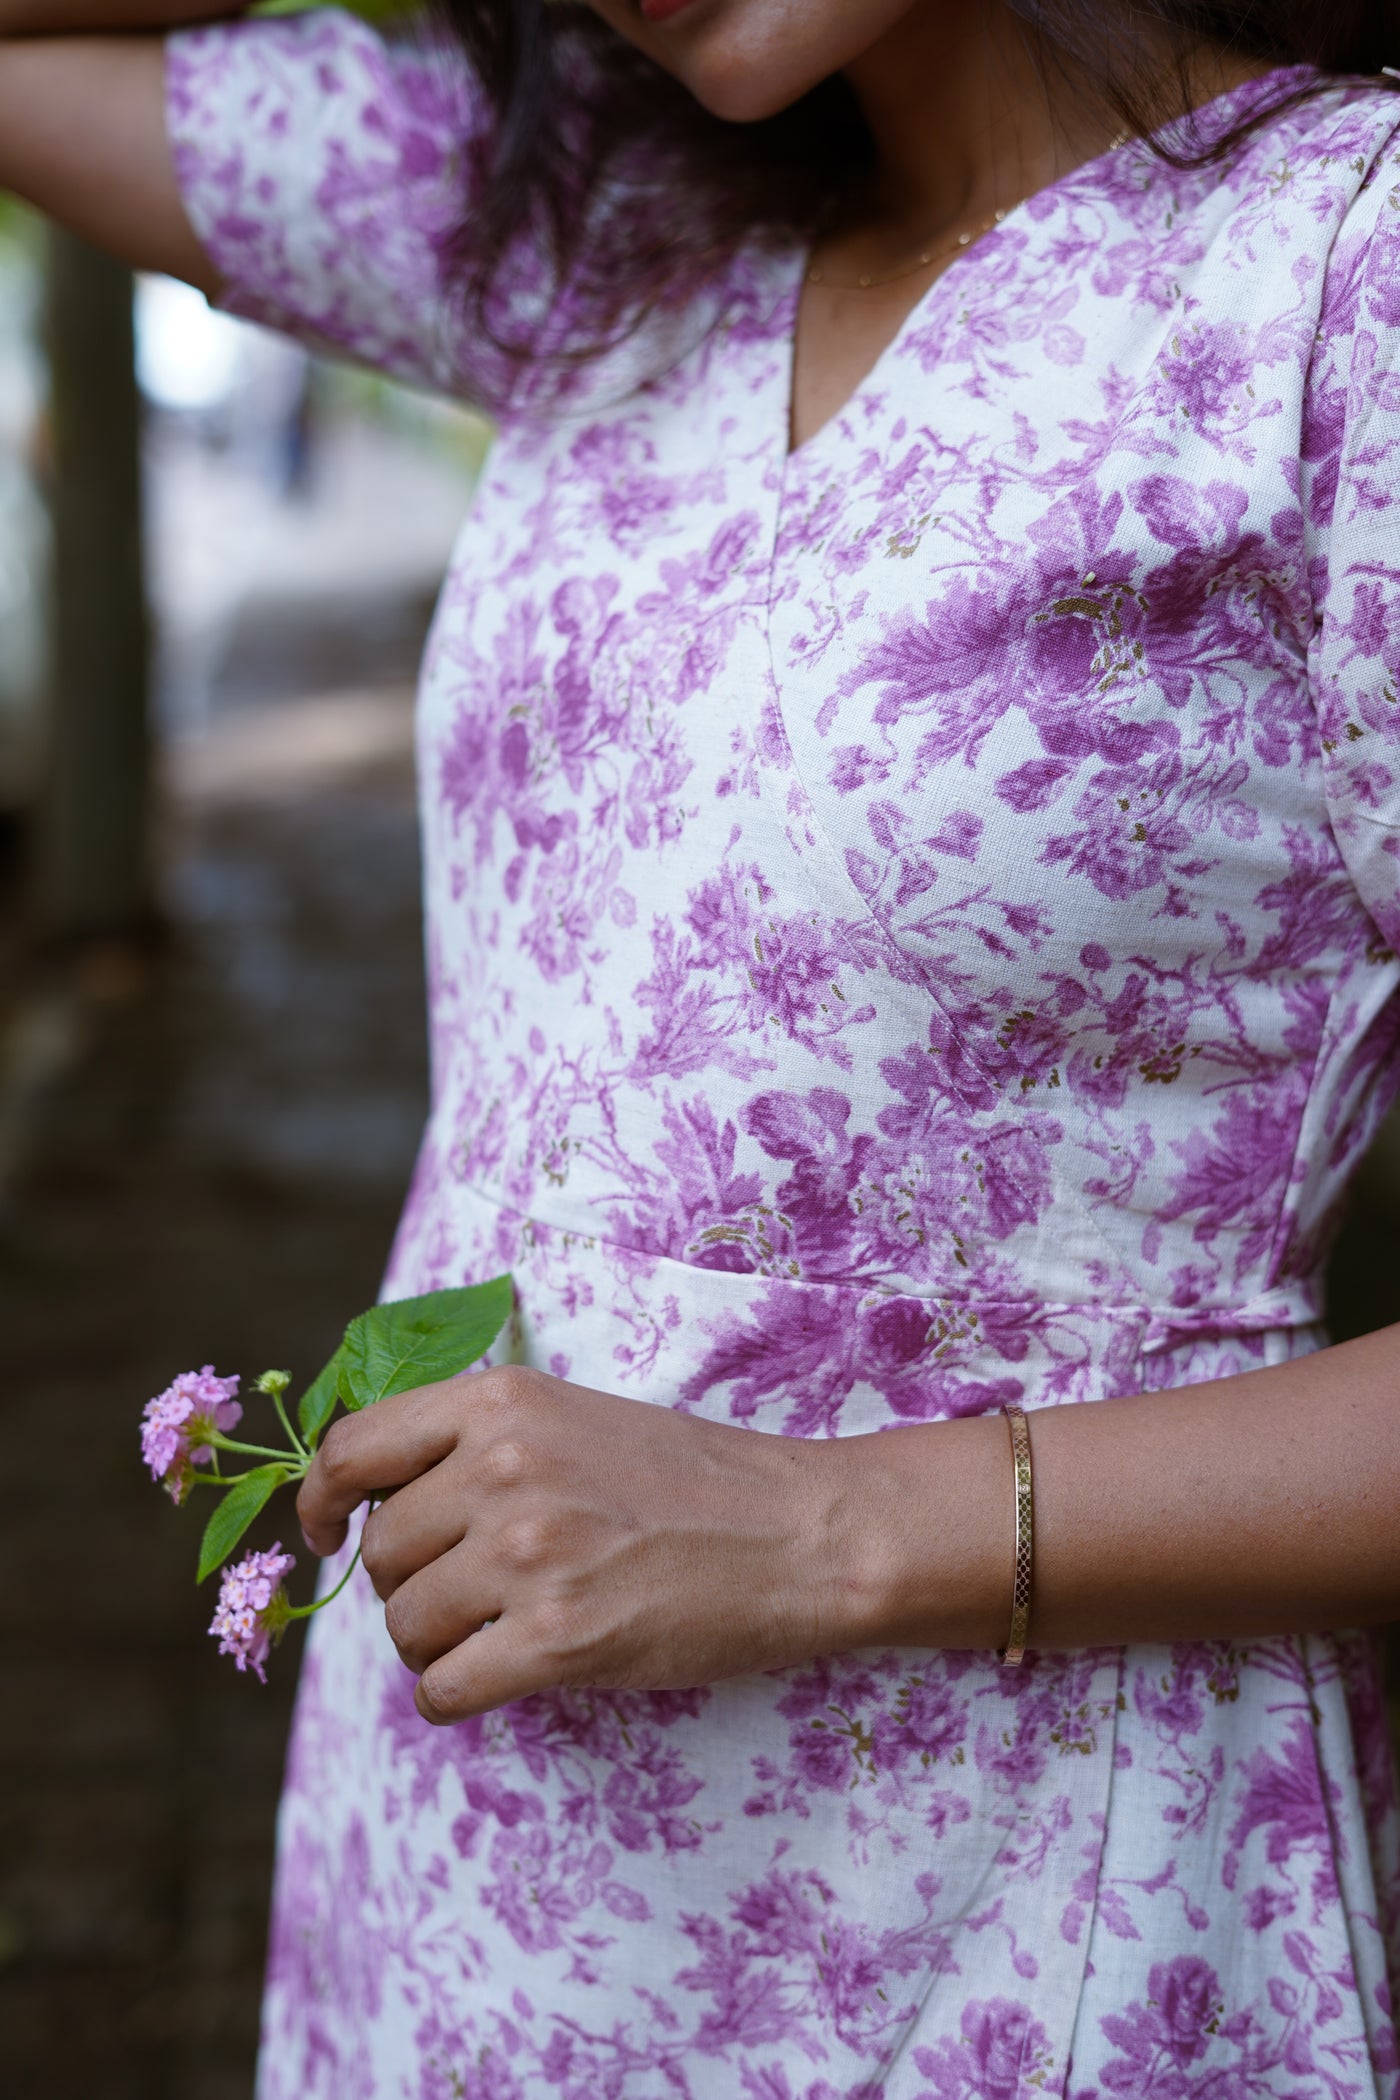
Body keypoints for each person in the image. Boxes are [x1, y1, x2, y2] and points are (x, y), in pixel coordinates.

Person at [6, 0, 1400, 2090]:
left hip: (1021, 1917)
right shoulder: (599, 234)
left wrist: (832, 1531)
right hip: (453, 1904)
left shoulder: (1344, 268)